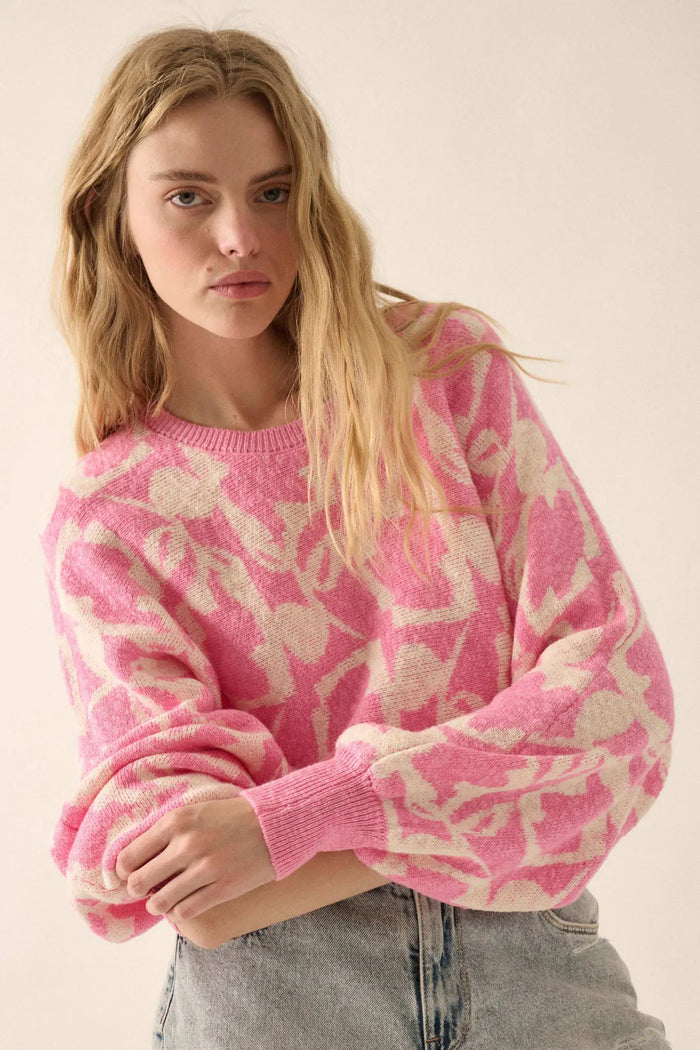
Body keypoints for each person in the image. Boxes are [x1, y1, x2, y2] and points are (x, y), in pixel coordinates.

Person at [40, 23, 675, 1050]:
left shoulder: (446, 378)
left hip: (533, 971)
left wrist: (297, 819)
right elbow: (194, 883)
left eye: (273, 192)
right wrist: (477, 797)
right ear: (112, 216)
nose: (240, 237)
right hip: (279, 996)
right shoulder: (111, 514)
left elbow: (615, 702)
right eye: (189, 197)